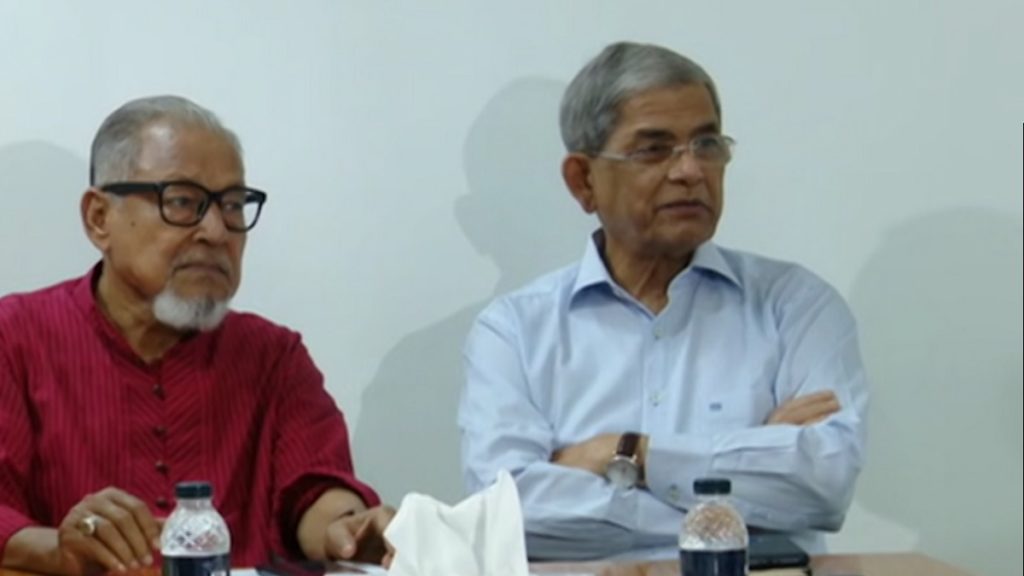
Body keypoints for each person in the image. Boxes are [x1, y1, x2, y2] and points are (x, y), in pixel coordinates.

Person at [458, 41, 869, 561]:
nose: (690, 171)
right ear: (583, 181)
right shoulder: (514, 332)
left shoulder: (796, 308)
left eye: (707, 144)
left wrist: (624, 453)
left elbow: (824, 484)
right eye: (654, 149)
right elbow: (505, 514)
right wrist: (744, 482)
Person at [0, 96, 394, 575]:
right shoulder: (15, 338)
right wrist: (59, 549)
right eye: (182, 202)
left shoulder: (273, 356)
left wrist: (345, 530)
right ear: (99, 218)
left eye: (232, 206)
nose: (216, 231)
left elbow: (313, 489)